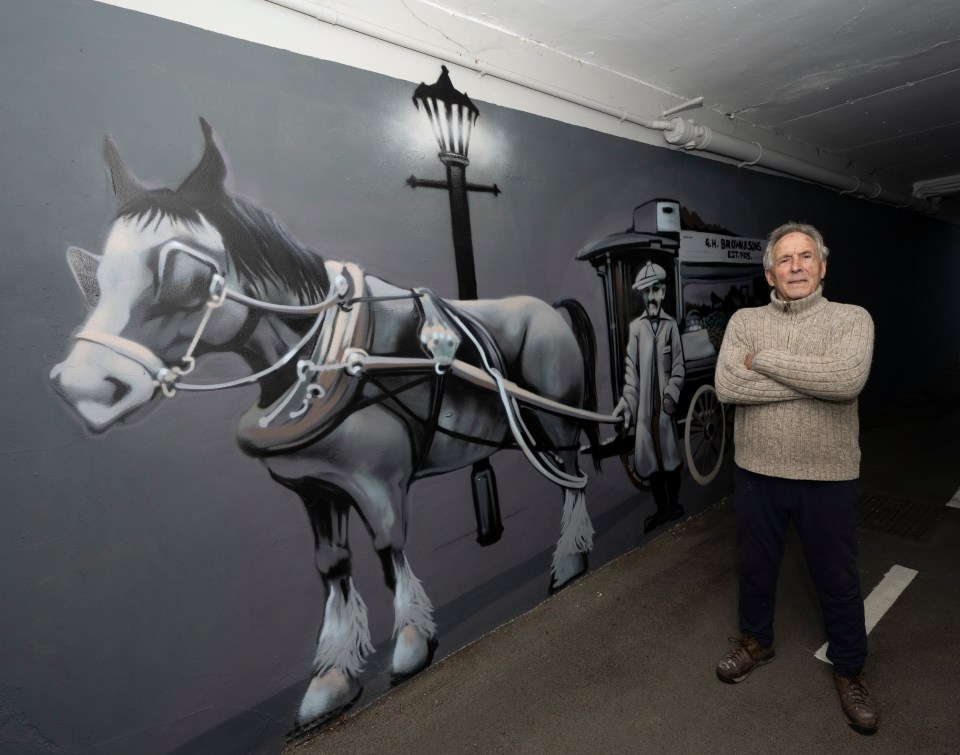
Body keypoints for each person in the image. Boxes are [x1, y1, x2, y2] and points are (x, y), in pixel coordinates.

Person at [713, 222, 878, 734]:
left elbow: (846, 379)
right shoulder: (743, 319)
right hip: (756, 472)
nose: (797, 266)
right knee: (757, 568)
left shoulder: (852, 319)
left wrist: (761, 362)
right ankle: (756, 643)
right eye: (785, 260)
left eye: (806, 257)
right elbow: (725, 385)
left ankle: (850, 670)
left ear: (822, 266)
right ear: (770, 273)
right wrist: (813, 380)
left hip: (827, 475)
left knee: (838, 579)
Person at [613, 261, 686, 533]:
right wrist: (628, 406)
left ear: (663, 292)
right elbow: (631, 373)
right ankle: (662, 510)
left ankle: (674, 505)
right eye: (646, 291)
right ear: (641, 296)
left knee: (670, 462)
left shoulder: (670, 327)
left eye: (655, 289)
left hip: (664, 411)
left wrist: (672, 394)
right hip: (645, 412)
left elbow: (678, 366)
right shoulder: (636, 329)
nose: (651, 296)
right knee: (652, 464)